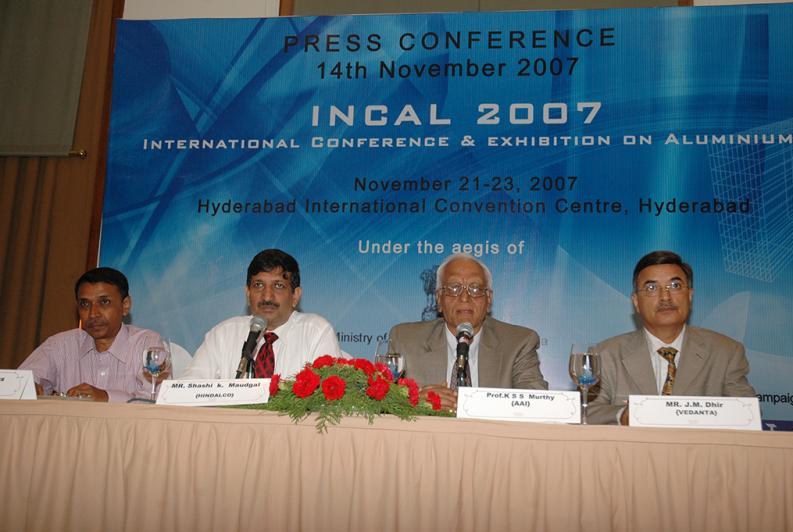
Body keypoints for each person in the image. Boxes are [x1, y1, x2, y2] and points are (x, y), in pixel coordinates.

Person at [588, 250, 756, 425]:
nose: (665, 297)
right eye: (651, 288)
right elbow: (586, 411)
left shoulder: (726, 353)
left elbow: (747, 413)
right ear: (636, 301)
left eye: (675, 286)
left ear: (690, 295)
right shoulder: (605, 355)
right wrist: (622, 415)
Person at [388, 253, 548, 410]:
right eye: (454, 288)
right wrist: (414, 402)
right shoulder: (405, 340)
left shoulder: (518, 344)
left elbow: (537, 404)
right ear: (439, 299)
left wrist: (480, 407)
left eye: (475, 288)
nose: (464, 297)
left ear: (489, 300)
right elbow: (382, 402)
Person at [183, 248, 342, 379]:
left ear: (295, 296)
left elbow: (327, 401)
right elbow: (187, 390)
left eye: (278, 286)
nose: (267, 297)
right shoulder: (222, 335)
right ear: (248, 293)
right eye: (258, 285)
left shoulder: (316, 333)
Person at [18, 267, 163, 402]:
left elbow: (155, 400)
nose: (93, 314)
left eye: (104, 302)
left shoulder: (147, 344)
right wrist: (27, 388)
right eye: (85, 304)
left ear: (125, 305)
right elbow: (19, 383)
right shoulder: (60, 345)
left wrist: (106, 397)